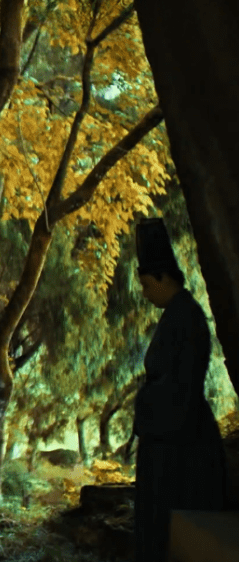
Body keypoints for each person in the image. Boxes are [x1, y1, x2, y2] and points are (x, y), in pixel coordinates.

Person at [133, 218, 226, 562]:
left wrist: (149, 412)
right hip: (167, 443)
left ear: (161, 278)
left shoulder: (186, 317)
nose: (143, 292)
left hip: (182, 449)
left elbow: (180, 386)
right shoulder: (176, 314)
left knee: (175, 537)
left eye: (145, 284)